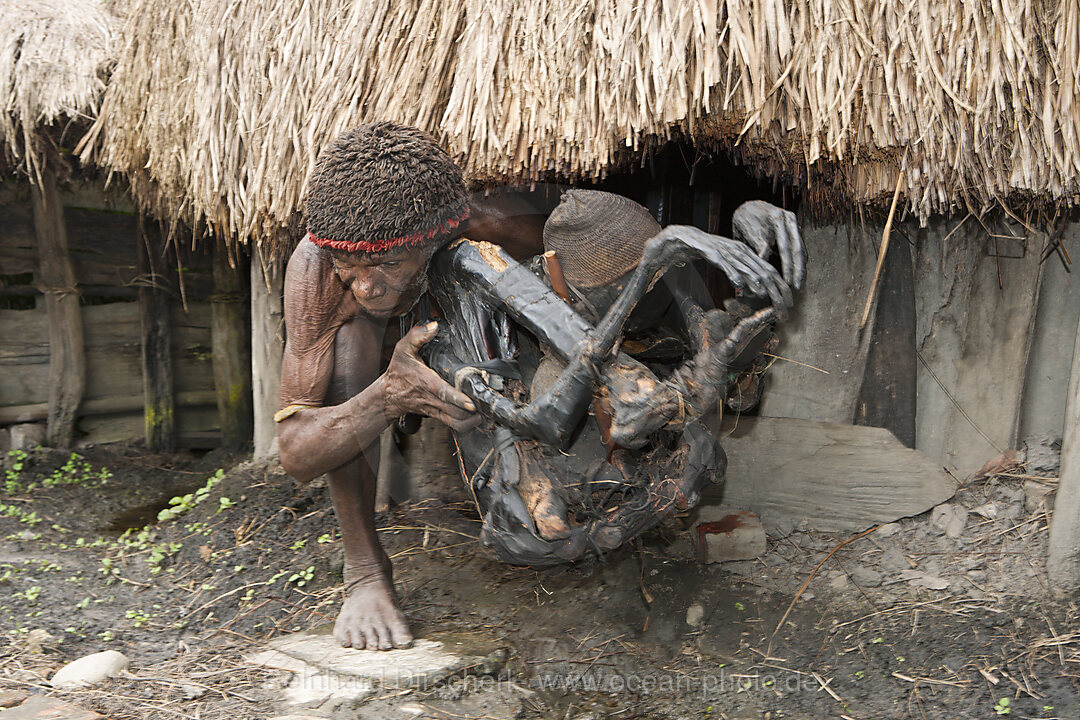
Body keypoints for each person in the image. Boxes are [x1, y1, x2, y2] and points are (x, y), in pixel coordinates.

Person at [276, 122, 491, 651]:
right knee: (348, 349)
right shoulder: (316, 270)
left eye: (388, 263)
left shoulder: (483, 230)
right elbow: (297, 453)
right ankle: (366, 571)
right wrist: (386, 395)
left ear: (435, 238)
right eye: (350, 268)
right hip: (380, 365)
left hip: (460, 332)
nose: (367, 286)